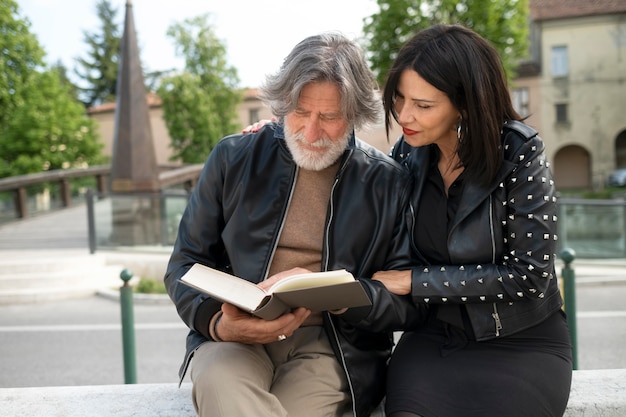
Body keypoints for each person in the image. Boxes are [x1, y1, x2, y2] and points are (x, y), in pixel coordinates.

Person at [164, 32, 422, 417]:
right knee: (221, 386)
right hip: (235, 336)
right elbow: (184, 264)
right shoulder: (233, 158)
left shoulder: (388, 182)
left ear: (353, 115)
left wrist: (337, 294)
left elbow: (405, 304)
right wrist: (217, 324)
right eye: (300, 112)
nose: (311, 132)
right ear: (283, 105)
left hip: (332, 344)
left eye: (329, 117)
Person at [372, 24, 573, 417]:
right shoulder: (407, 155)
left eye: (423, 105)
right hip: (431, 341)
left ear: (464, 104)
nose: (404, 115)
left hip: (522, 344)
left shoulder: (521, 154)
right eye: (399, 98)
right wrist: (274, 139)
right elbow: (358, 187)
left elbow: (530, 276)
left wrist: (416, 281)